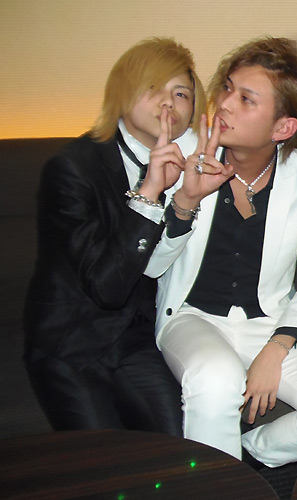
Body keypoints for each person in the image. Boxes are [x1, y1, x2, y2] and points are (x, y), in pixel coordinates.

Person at [144, 37, 297, 467]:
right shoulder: (182, 156)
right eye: (227, 88)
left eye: (246, 99)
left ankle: (250, 454)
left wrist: (277, 347)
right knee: (217, 379)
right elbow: (151, 267)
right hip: (192, 316)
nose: (224, 104)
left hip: (268, 319)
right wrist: (185, 200)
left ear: (283, 128)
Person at [24, 38, 207, 433]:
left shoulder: (185, 165)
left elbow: (153, 267)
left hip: (135, 336)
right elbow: (106, 287)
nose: (168, 102)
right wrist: (150, 193)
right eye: (154, 87)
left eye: (181, 94)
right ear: (123, 92)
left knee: (179, 445)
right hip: (71, 341)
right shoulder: (72, 168)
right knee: (103, 459)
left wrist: (183, 201)